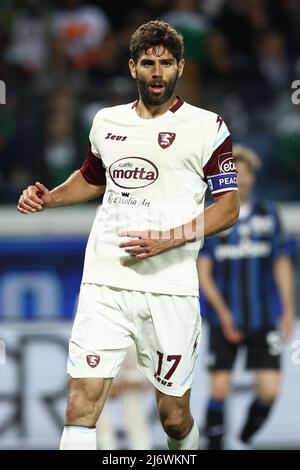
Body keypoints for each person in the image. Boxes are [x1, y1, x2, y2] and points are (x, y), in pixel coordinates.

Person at [17, 20, 239, 450]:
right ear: (132, 67)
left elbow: (228, 208)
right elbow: (92, 178)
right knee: (81, 400)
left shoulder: (208, 127)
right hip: (106, 279)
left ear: (180, 67)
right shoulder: (106, 122)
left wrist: (170, 238)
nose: (158, 73)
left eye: (167, 63)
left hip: (169, 287)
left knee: (173, 416)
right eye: (149, 63)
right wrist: (51, 198)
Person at [197, 144, 295, 450]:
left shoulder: (270, 215)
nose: (239, 178)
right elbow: (203, 273)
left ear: (253, 176)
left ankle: (242, 441)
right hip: (222, 317)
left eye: (244, 172)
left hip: (262, 317)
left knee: (269, 391)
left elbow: (281, 263)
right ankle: (212, 445)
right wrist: (224, 315)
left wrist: (289, 310)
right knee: (220, 388)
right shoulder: (210, 218)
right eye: (232, 173)